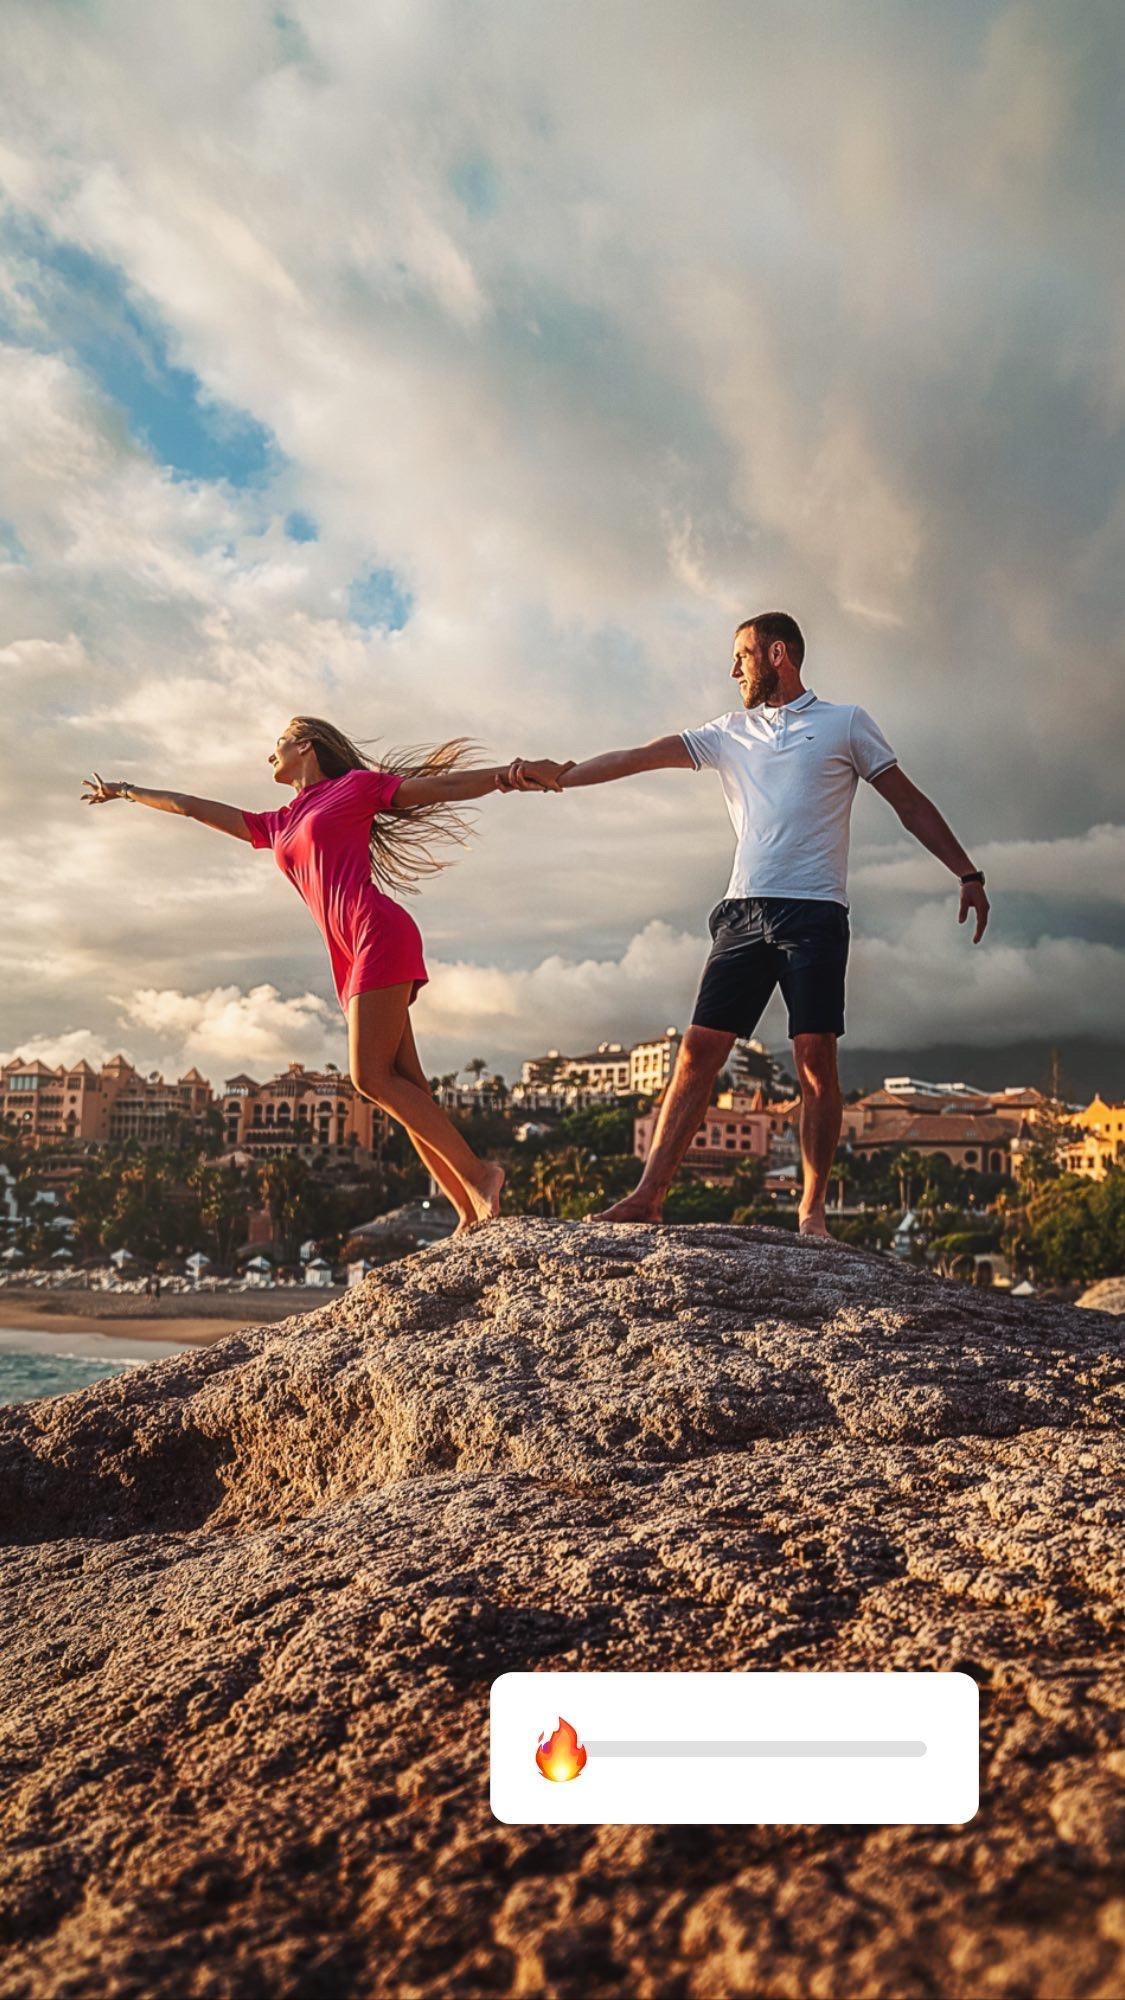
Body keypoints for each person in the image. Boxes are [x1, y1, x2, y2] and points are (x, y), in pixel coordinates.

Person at [511, 611, 990, 1238]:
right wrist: (563, 777)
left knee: (815, 1057)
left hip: (814, 911)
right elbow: (638, 756)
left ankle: (811, 1213)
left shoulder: (845, 723)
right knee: (696, 1053)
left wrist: (967, 872)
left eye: (742, 654)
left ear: (778, 654)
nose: (732, 668)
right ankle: (649, 1195)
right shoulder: (728, 733)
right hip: (742, 911)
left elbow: (907, 800)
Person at [82, 719, 570, 1232]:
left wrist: (512, 774)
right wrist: (128, 792)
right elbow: (191, 806)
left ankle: (480, 1174)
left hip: (376, 930)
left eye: (278, 743)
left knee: (370, 1077)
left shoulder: (355, 788)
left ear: (305, 745)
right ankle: (468, 1211)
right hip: (349, 951)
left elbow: (442, 788)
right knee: (409, 1087)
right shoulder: (278, 822)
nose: (269, 753)